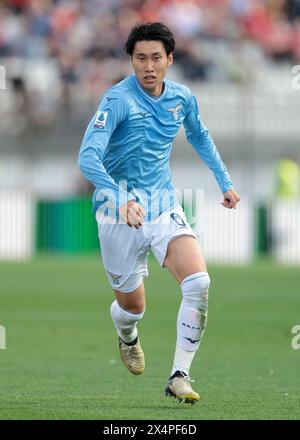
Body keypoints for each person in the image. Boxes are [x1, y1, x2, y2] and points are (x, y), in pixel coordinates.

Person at [78, 22, 240, 405]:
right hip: (115, 213)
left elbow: (199, 135)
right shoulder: (117, 100)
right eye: (140, 58)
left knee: (198, 282)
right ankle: (127, 333)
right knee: (133, 307)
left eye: (155, 57)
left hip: (162, 205)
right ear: (131, 61)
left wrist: (225, 181)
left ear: (169, 58)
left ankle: (178, 375)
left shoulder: (182, 97)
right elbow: (87, 157)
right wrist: (120, 199)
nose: (148, 66)